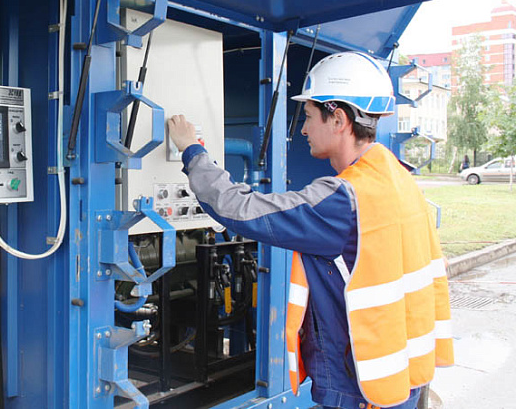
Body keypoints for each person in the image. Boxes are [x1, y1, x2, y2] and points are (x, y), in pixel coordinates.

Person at [168, 51, 453, 409]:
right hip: (399, 376)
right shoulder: (399, 179)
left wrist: (192, 150)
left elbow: (238, 208)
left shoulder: (343, 201)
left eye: (309, 116)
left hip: (359, 390)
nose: (303, 129)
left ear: (339, 119)